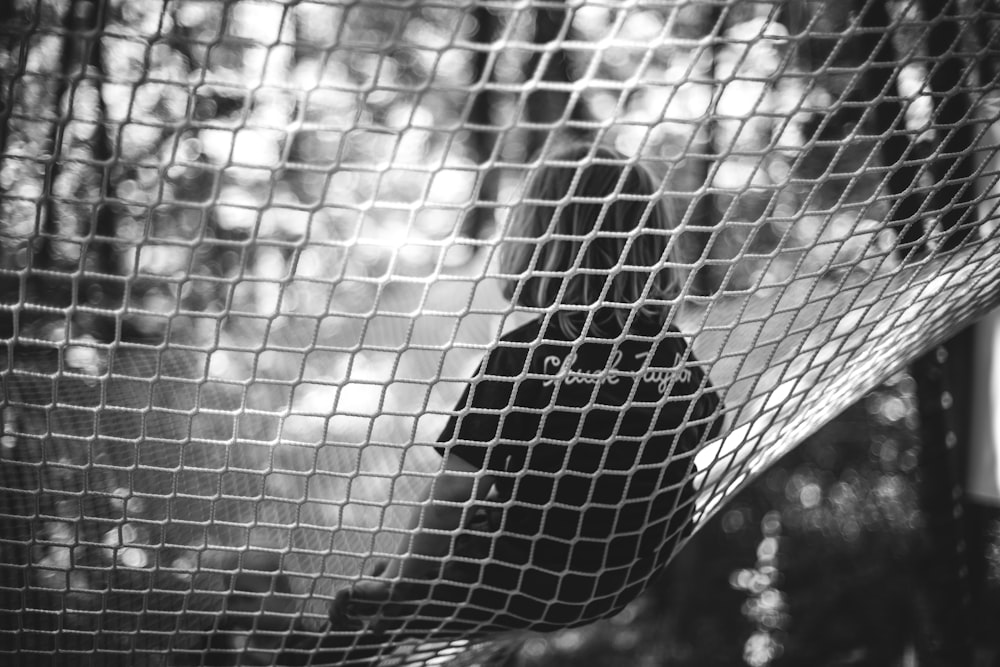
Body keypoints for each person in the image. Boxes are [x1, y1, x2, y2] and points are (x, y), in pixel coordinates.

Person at [307, 143, 723, 665]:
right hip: (631, 571)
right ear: (652, 244)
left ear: (539, 237)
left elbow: (457, 485)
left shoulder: (521, 357)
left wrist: (404, 583)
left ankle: (318, 648)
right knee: (482, 526)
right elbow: (708, 430)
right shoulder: (670, 350)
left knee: (380, 592)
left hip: (533, 580)